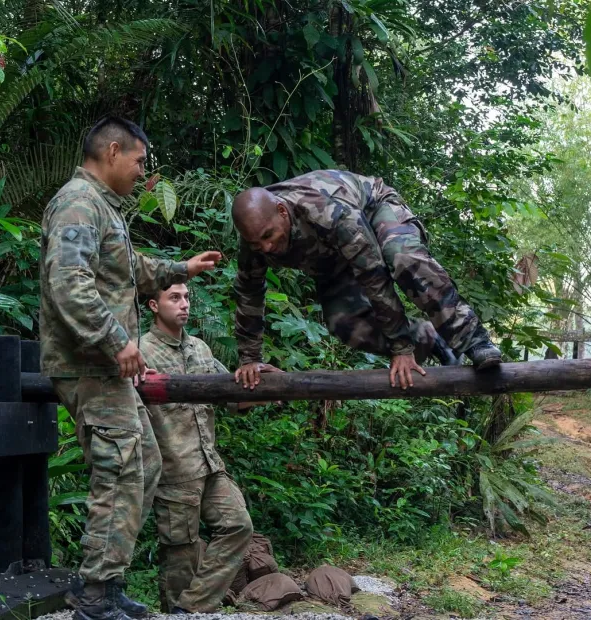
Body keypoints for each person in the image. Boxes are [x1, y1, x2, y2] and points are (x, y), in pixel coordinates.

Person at [40, 116, 222, 620]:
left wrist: (182, 269)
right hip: (90, 366)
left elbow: (129, 269)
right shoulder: (78, 203)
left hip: (105, 368)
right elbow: (68, 283)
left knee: (143, 463)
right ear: (113, 151)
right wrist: (118, 341)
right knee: (120, 467)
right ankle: (95, 595)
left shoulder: (102, 208)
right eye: (140, 162)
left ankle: (108, 580)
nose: (143, 172)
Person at [232, 169, 502, 391]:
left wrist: (401, 348)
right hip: (331, 258)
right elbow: (248, 294)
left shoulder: (328, 212)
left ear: (282, 211)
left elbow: (374, 277)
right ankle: (427, 338)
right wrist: (250, 359)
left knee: (403, 258)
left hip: (374, 211)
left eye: (268, 236)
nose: (265, 248)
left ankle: (475, 341)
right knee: (344, 323)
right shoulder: (253, 241)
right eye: (256, 243)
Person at [140, 283, 276, 613]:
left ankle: (191, 608)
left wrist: (264, 388)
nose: (184, 304)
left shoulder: (200, 348)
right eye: (175, 298)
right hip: (173, 466)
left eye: (186, 297)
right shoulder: (139, 351)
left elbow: (231, 398)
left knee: (238, 525)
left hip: (209, 464)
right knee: (180, 551)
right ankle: (180, 610)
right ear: (154, 305)